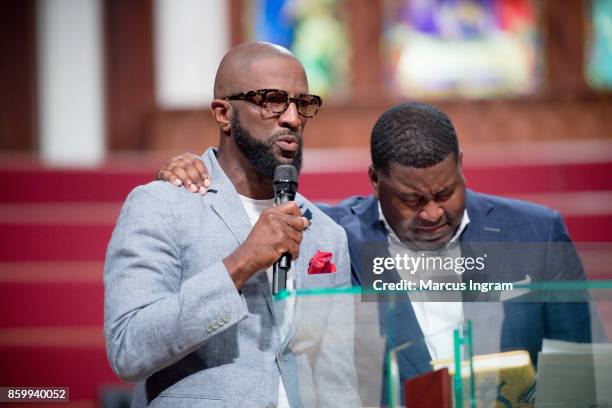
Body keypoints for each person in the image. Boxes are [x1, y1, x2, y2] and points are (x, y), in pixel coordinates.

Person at [158, 102, 596, 386]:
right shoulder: (332, 230)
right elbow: (241, 224)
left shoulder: (536, 233)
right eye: (410, 199)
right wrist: (192, 171)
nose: (430, 213)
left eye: (445, 193)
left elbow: (581, 369)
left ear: (461, 167)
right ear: (374, 182)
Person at [104, 41, 360, 408]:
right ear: (224, 114)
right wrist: (240, 264)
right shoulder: (162, 204)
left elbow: (336, 375)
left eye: (302, 103)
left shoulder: (324, 232)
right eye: (272, 100)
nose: (292, 118)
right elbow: (128, 347)